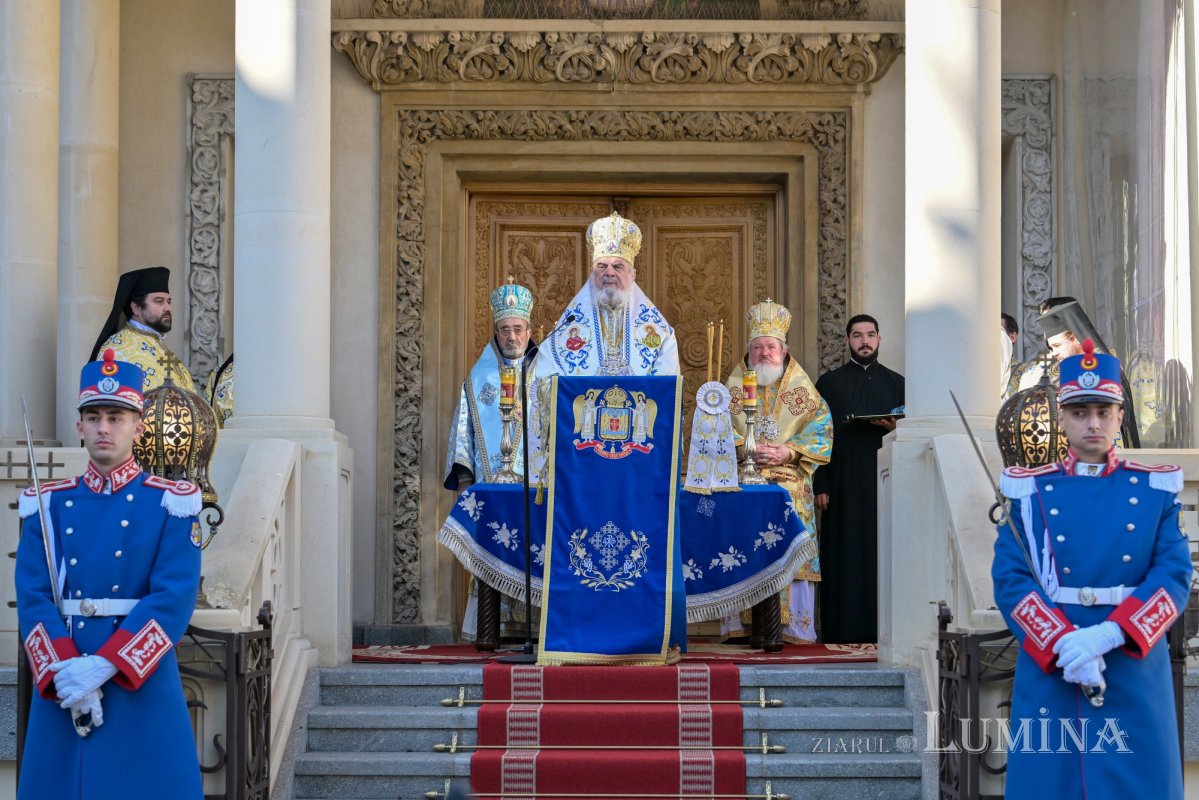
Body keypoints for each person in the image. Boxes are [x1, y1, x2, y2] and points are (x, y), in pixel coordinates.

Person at [991, 339, 1189, 799]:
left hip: (1130, 662)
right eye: (1080, 413)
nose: (1093, 423)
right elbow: (1011, 580)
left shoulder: (1155, 489)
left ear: (1120, 416)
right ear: (1062, 419)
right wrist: (1063, 642)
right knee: (1051, 785)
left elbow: (1173, 575)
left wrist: (1107, 635)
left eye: (1103, 411)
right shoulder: (1029, 494)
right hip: (1055, 664)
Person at [16, 349, 203, 799]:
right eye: (94, 416)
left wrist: (105, 665)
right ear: (79, 427)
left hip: (137, 677)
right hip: (65, 673)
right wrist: (65, 671)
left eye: (116, 417)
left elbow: (173, 597)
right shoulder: (48, 503)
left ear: (138, 427)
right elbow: (33, 594)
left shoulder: (172, 502)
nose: (104, 427)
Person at [723, 300, 832, 642]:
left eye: (771, 346)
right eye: (757, 347)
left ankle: (793, 627)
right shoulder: (730, 392)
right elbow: (714, 430)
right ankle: (739, 626)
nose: (764, 353)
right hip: (743, 479)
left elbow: (822, 430)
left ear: (784, 350)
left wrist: (788, 450)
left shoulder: (804, 392)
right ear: (749, 351)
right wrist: (746, 448)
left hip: (790, 480)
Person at [444, 279, 539, 640]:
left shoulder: (547, 376)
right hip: (491, 490)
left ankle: (534, 627)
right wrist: (467, 488)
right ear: (496, 334)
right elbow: (462, 438)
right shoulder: (478, 378)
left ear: (529, 331)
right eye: (504, 330)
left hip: (535, 488)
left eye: (517, 329)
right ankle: (491, 628)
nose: (511, 337)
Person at [812, 314, 904, 644]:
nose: (864, 341)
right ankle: (840, 630)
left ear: (879, 339)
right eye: (857, 335)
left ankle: (883, 630)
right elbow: (816, 435)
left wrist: (896, 428)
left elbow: (912, 431)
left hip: (884, 483)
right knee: (843, 554)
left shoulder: (898, 383)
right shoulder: (828, 383)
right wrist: (820, 484)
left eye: (870, 335)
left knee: (881, 553)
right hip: (842, 484)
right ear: (847, 340)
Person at [533, 211, 679, 379]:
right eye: (602, 266)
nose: (609, 272)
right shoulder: (567, 327)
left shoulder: (660, 332)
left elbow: (666, 379)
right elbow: (547, 376)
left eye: (618, 267)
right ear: (592, 274)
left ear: (633, 275)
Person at [90, 266, 197, 393]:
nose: (168, 308)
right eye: (159, 301)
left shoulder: (162, 347)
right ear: (136, 308)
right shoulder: (116, 350)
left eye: (169, 302)